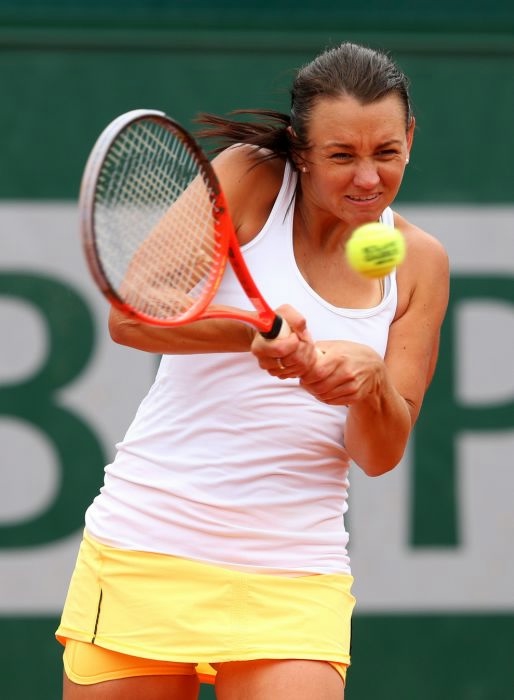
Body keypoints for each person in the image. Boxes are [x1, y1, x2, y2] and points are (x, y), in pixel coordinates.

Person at [56, 41, 449, 700]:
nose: (366, 179)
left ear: (410, 137)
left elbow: (379, 454)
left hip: (292, 571)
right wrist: (248, 334)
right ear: (299, 148)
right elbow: (131, 319)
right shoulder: (249, 176)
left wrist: (369, 385)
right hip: (146, 542)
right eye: (340, 155)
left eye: (386, 153)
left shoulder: (421, 264)